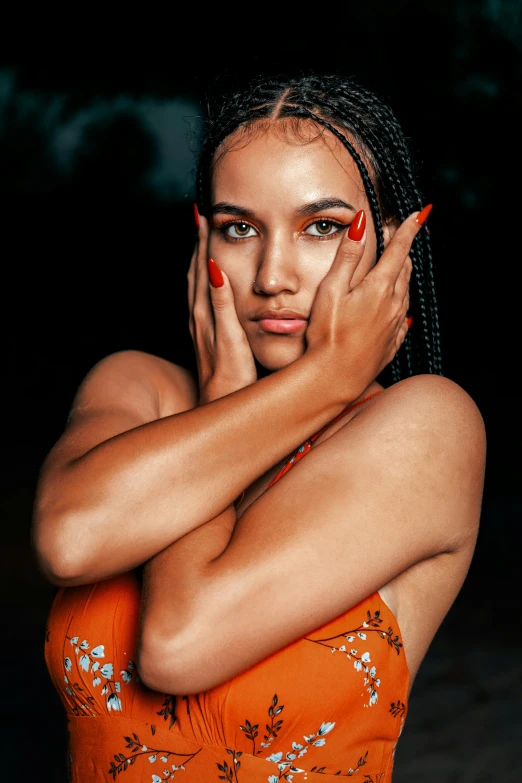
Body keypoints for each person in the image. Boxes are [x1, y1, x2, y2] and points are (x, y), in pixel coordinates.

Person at [32, 72, 486, 782]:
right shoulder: (134, 387)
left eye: (323, 227)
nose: (272, 274)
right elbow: (69, 540)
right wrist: (296, 383)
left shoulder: (426, 428)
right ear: (204, 237)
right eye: (239, 228)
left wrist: (319, 384)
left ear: (394, 244)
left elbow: (177, 644)